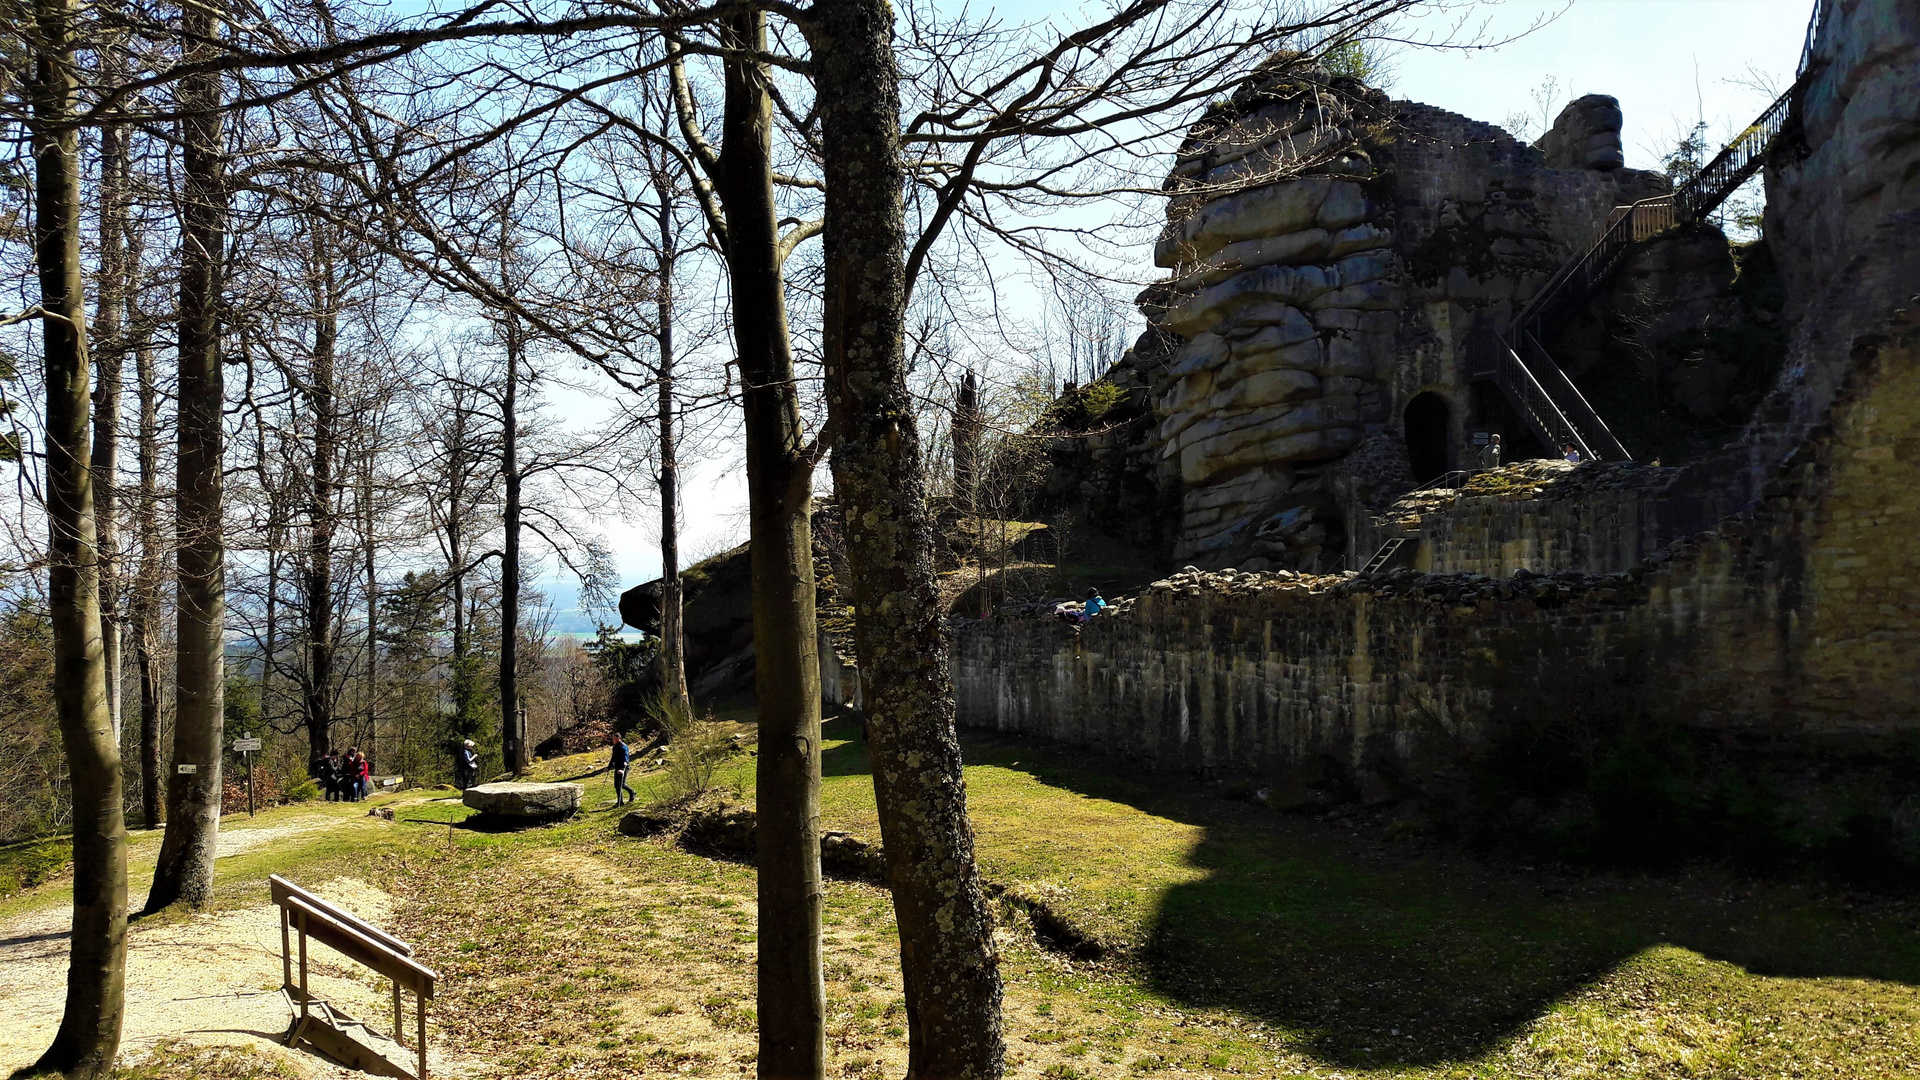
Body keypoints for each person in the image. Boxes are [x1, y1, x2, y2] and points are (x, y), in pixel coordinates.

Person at [609, 731, 635, 807]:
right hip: (617, 767)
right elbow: (613, 758)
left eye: (614, 738)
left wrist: (622, 769)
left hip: (624, 767)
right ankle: (620, 802)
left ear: (618, 738)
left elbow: (626, 758)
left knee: (622, 784)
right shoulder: (615, 747)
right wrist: (609, 767)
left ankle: (632, 792)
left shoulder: (623, 747)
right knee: (617, 785)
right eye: (612, 738)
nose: (612, 740)